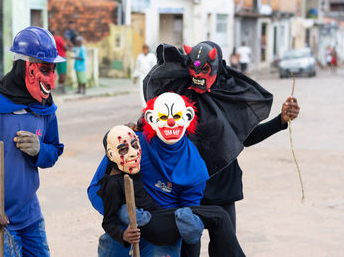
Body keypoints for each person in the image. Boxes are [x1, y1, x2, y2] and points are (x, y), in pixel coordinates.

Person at [143, 41, 300, 256]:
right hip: (187, 185)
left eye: (204, 68)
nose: (197, 73)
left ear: (215, 66)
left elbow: (244, 138)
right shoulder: (178, 93)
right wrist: (138, 128)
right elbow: (158, 127)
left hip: (223, 183)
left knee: (224, 247)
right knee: (189, 246)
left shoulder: (230, 94)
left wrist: (280, 121)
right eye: (193, 67)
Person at [89, 93, 244, 257]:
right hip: (124, 229)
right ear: (151, 118)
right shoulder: (131, 144)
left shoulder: (194, 166)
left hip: (162, 235)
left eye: (177, 116)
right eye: (163, 116)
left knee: (208, 218)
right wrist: (120, 216)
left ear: (188, 117)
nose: (171, 122)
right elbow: (95, 189)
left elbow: (188, 222)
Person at [0, 26, 65, 256]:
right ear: (26, 68)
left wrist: (40, 150)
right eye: (45, 69)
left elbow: (53, 152)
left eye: (53, 70)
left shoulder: (46, 109)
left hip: (29, 213)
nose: (52, 80)